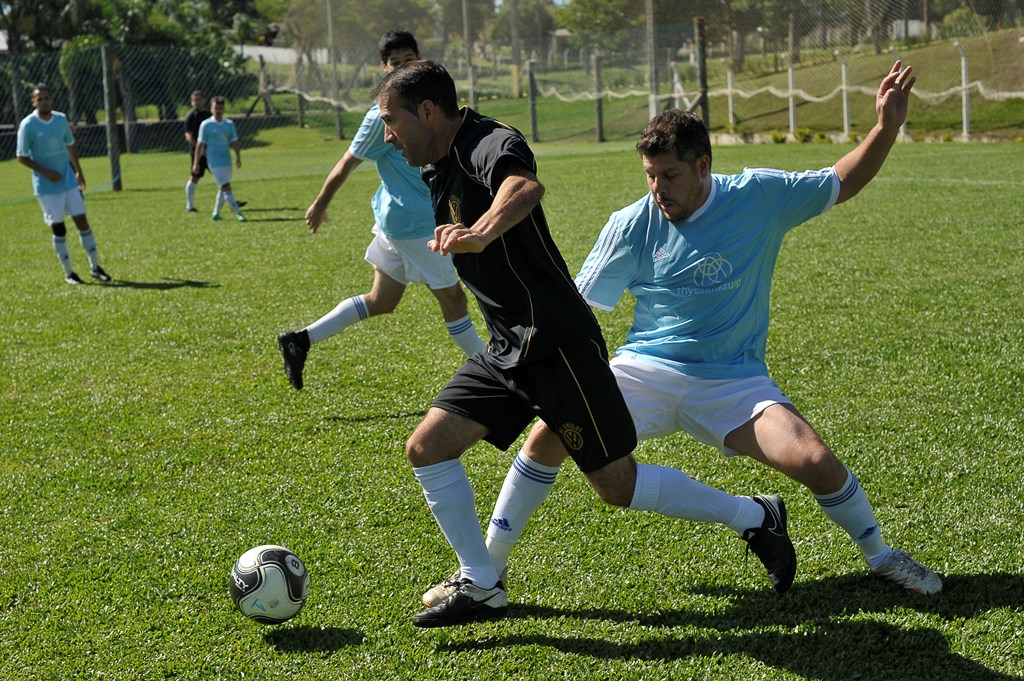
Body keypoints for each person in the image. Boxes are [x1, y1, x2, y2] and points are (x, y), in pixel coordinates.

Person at [422, 61, 943, 607]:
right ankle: (488, 572)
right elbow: (576, 309)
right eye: (650, 175)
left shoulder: (758, 196)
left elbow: (841, 180)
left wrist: (885, 127)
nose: (658, 189)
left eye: (669, 176)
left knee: (814, 461)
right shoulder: (631, 223)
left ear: (703, 166)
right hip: (645, 369)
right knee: (547, 437)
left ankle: (882, 556)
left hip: (734, 380)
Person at [373, 60, 796, 629]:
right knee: (427, 447)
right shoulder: (441, 162)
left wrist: (479, 232)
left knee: (617, 485)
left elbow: (523, 187)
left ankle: (753, 515)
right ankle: (481, 580)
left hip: (555, 344)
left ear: (427, 111)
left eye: (391, 120)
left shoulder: (483, 142)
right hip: (507, 345)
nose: (387, 135)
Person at [276, 30, 484, 391]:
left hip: (397, 220)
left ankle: (300, 340)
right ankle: (504, 376)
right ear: (383, 68)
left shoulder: (426, 104)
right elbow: (348, 161)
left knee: (382, 300)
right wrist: (320, 203)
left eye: (409, 60)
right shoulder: (382, 116)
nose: (402, 68)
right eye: (395, 63)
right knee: (454, 299)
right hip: (417, 224)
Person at [17, 84, 112, 285]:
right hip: (47, 186)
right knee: (59, 227)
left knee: (82, 221)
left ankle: (95, 267)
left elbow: (70, 145)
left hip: (68, 181)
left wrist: (78, 172)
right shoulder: (28, 125)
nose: (44, 102)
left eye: (46, 98)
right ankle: (69, 273)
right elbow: (21, 156)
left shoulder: (61, 119)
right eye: (39, 99)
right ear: (33, 102)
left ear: (52, 99)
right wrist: (47, 173)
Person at [185, 90, 245, 213]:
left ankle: (231, 201)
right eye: (194, 100)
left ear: (204, 100)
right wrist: (199, 149)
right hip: (200, 153)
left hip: (213, 152)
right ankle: (190, 206)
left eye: (199, 99)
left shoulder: (209, 114)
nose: (197, 102)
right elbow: (188, 135)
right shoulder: (191, 116)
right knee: (195, 176)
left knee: (222, 177)